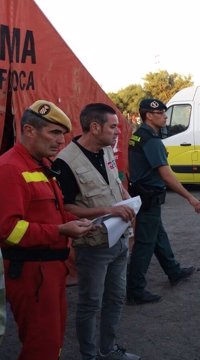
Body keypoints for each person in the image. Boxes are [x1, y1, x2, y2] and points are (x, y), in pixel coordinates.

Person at [0, 100, 94, 360]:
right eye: (54, 132)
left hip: (49, 271)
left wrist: (75, 221)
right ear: (29, 131)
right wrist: (61, 230)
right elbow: (8, 231)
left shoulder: (38, 164)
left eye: (62, 134)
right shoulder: (10, 168)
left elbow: (51, 210)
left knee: (52, 342)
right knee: (42, 347)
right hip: (32, 274)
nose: (61, 141)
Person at [54, 103, 140, 360]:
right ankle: (89, 355)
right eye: (113, 127)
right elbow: (66, 207)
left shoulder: (105, 151)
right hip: (93, 245)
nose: (118, 133)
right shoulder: (65, 161)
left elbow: (115, 184)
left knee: (116, 298)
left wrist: (127, 202)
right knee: (90, 303)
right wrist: (110, 210)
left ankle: (109, 349)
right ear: (95, 127)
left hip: (119, 237)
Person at [127, 98, 200, 305]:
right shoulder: (152, 140)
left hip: (143, 195)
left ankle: (173, 271)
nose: (165, 117)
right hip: (149, 196)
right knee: (145, 244)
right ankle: (135, 290)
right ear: (149, 115)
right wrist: (190, 197)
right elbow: (166, 175)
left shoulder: (138, 136)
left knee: (158, 236)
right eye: (161, 113)